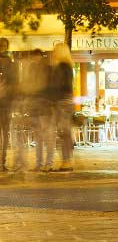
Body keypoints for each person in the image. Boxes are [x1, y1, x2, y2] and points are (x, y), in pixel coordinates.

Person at [43, 43, 74, 172]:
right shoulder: (67, 67)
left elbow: (59, 86)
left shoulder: (62, 67)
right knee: (64, 133)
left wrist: (51, 99)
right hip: (64, 102)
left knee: (63, 133)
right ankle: (66, 161)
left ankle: (66, 162)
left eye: (55, 50)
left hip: (61, 103)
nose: (53, 52)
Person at [0, 39, 15, 171]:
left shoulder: (10, 63)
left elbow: (14, 82)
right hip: (5, 103)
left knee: (5, 134)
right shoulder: (10, 63)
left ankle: (2, 162)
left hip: (6, 103)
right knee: (4, 134)